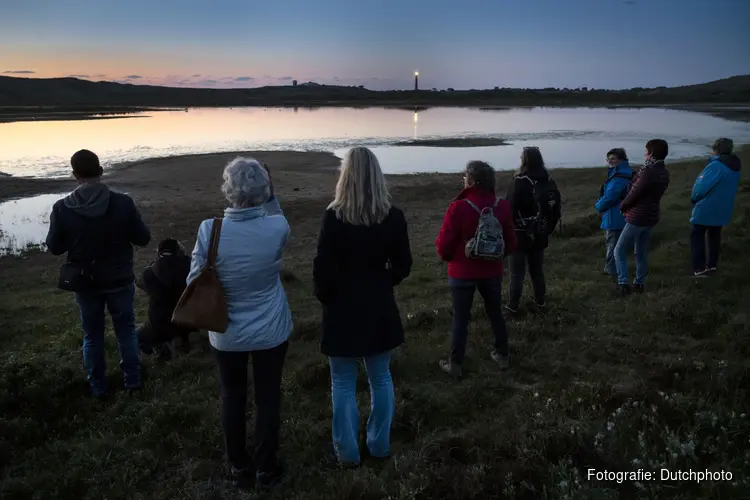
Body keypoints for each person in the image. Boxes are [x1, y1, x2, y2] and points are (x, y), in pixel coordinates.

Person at [188, 158, 291, 490]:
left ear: (228, 190)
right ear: (265, 189)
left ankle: (238, 465)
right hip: (271, 330)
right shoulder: (278, 227)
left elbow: (194, 280)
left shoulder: (210, 230)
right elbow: (274, 211)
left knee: (232, 397)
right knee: (268, 397)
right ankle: (266, 467)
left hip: (226, 332)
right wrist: (269, 191)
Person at [313, 147, 412, 468]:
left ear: (347, 176)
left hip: (343, 308)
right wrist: (382, 283)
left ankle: (347, 453)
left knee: (343, 382)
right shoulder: (392, 216)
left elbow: (322, 271)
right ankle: (379, 445)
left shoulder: (335, 217)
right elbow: (403, 265)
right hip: (378, 306)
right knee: (380, 378)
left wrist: (329, 297)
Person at [45, 149, 151, 399]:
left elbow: (54, 247)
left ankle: (98, 388)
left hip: (85, 282)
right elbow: (143, 238)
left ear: (74, 175)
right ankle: (133, 384)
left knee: (92, 335)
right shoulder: (122, 202)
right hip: (120, 279)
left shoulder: (62, 208)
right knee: (125, 330)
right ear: (101, 171)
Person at [435, 160, 517, 377]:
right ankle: (502, 355)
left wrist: (451, 258)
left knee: (461, 317)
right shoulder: (502, 206)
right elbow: (511, 242)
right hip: (492, 271)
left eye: (465, 176)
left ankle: (455, 363)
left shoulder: (458, 207)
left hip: (462, 272)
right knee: (495, 313)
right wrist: (496, 257)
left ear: (470, 181)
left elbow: (444, 245)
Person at [505, 146, 560, 314]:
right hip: (540, 232)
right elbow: (555, 209)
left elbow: (509, 209)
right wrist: (547, 228)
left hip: (520, 233)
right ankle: (541, 303)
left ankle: (512, 307)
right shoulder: (548, 180)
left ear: (524, 160)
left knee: (517, 273)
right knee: (537, 271)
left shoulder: (519, 181)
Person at [614, 139, 670, 294]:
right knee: (641, 251)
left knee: (619, 251)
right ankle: (639, 283)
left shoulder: (648, 172)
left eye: (646, 150)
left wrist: (622, 206)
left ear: (651, 153)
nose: (644, 153)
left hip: (638, 217)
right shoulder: (664, 172)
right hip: (651, 217)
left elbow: (635, 193)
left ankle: (623, 284)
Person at [689, 138, 742, 277]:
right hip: (723, 207)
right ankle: (712, 266)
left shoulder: (716, 165)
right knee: (714, 235)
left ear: (716, 149)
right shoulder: (734, 166)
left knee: (697, 235)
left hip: (707, 206)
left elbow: (701, 186)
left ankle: (699, 269)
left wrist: (694, 197)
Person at [135, 238, 193, 359]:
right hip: (187, 321)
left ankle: (162, 348)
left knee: (134, 338)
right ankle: (181, 340)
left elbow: (139, 283)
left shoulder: (149, 272)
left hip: (159, 324)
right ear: (179, 251)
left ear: (159, 253)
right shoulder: (191, 267)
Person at [595, 149, 633, 277]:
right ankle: (615, 269)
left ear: (621, 160)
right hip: (623, 214)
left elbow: (610, 197)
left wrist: (598, 206)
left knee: (613, 243)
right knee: (617, 243)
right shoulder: (626, 173)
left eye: (613, 159)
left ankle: (612, 271)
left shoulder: (619, 178)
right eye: (608, 159)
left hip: (615, 215)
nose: (610, 161)